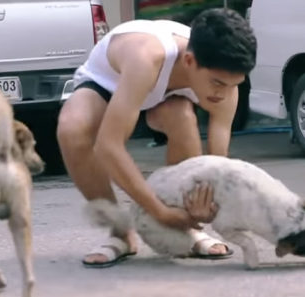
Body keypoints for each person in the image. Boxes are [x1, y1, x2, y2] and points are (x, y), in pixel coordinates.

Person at [57, 8, 257, 268]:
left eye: (235, 84)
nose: (225, 93)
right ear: (189, 62)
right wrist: (159, 212)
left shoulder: (227, 85)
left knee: (182, 117)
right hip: (111, 82)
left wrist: (200, 208)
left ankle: (187, 230)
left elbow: (214, 165)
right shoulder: (146, 57)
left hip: (166, 97)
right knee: (72, 129)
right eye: (218, 83)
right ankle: (121, 233)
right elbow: (109, 146)